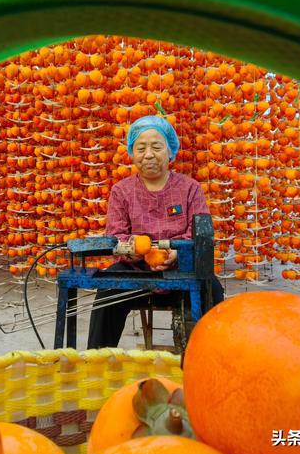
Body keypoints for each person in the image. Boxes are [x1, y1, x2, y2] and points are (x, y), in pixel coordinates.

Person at [87, 115, 224, 349]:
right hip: (136, 272)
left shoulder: (190, 189)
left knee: (211, 288)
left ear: (170, 151)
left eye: (156, 147)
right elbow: (116, 235)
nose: (148, 154)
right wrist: (137, 250)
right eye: (141, 148)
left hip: (181, 272)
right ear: (132, 153)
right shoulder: (122, 191)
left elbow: (199, 236)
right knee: (108, 290)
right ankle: (95, 362)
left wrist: (176, 254)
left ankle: (205, 360)